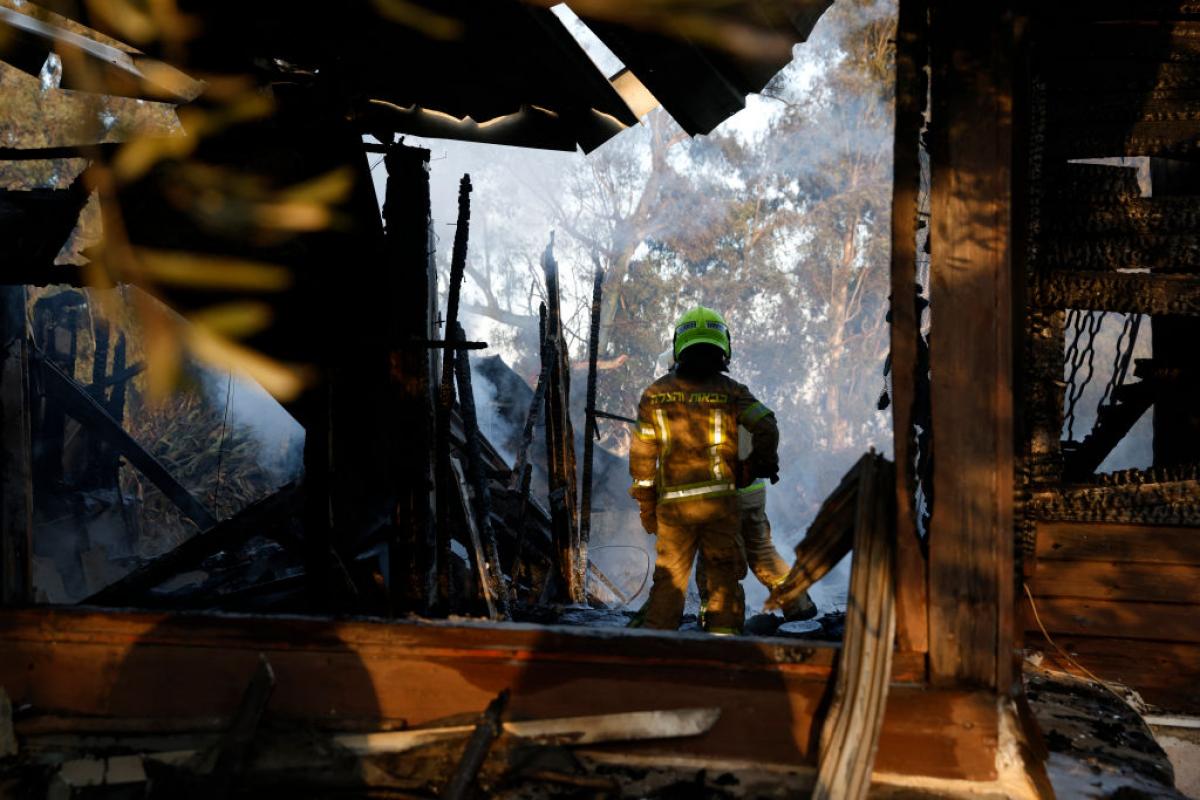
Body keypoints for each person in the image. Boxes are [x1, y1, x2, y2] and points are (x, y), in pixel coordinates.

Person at [628, 306, 780, 634]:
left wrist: (646, 505)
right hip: (719, 507)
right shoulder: (733, 392)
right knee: (723, 581)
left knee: (669, 583)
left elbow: (642, 458)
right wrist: (756, 467)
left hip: (673, 510)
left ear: (679, 345)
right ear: (722, 346)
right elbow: (766, 426)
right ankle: (723, 653)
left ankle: (655, 655)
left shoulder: (654, 395)